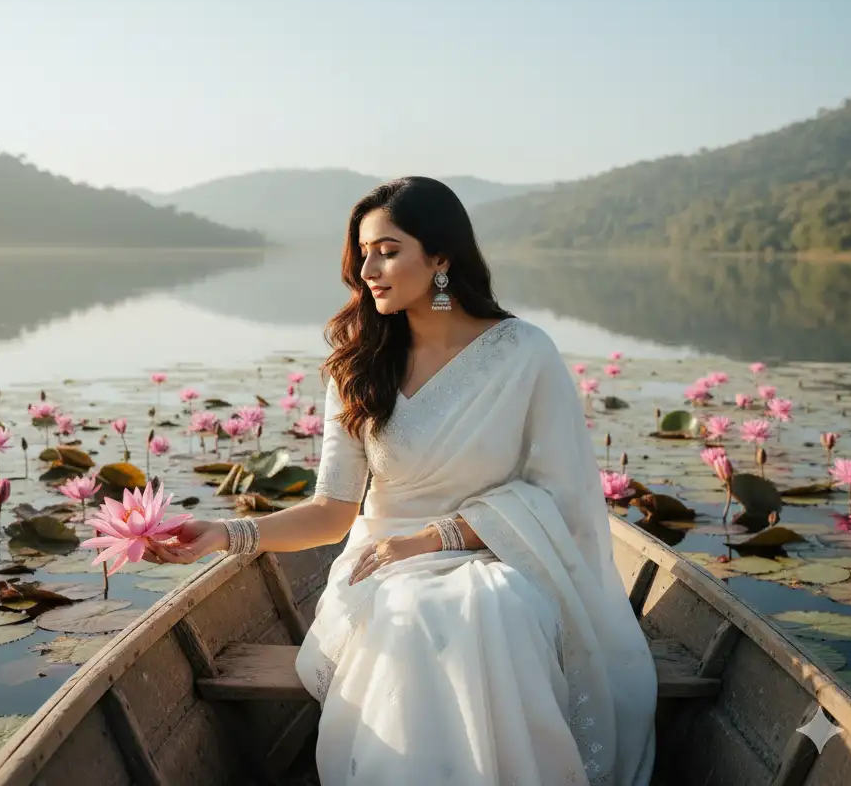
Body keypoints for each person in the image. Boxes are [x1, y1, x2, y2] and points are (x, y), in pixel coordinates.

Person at [146, 176, 657, 786]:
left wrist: (436, 538)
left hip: (505, 554)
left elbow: (560, 497)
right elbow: (333, 513)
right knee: (412, 610)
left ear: (440, 257)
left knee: (490, 605)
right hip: (379, 567)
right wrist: (225, 533)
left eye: (387, 250)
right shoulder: (358, 365)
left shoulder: (525, 354)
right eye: (362, 253)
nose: (368, 269)